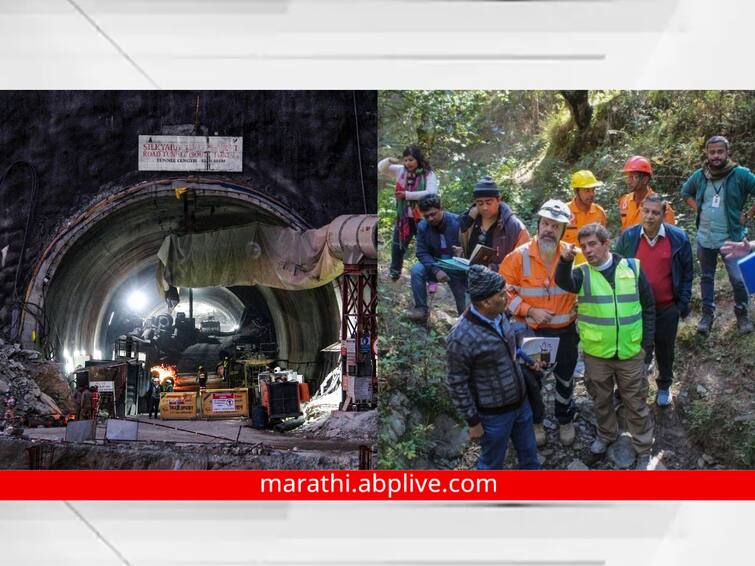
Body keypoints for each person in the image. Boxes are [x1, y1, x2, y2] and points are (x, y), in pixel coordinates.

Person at [555, 223, 656, 470]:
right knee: (601, 400)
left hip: (631, 351)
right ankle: (606, 435)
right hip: (597, 354)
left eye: (593, 244)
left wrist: (646, 346)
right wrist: (566, 260)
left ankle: (643, 448)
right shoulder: (581, 273)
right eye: (583, 246)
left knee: (636, 402)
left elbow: (649, 307)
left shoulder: (632, 268)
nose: (588, 250)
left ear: (606, 243)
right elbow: (562, 282)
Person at [501, 199, 579, 447]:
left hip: (566, 332)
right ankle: (536, 422)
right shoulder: (518, 257)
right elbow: (503, 294)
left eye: (556, 226)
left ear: (563, 230)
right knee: (533, 380)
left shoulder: (572, 255)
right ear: (539, 224)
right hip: (537, 332)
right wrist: (529, 310)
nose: (549, 229)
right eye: (546, 223)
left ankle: (565, 419)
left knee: (565, 378)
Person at [446, 265, 540, 470]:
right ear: (485, 301)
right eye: (501, 294)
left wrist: (530, 359)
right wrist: (473, 422)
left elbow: (510, 346)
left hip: (521, 405)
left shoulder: (500, 315)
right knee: (491, 463)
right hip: (494, 416)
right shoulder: (460, 336)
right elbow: (456, 383)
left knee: (530, 456)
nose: (507, 297)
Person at [615, 194, 693, 407]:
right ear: (640, 210)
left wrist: (682, 305)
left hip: (668, 308)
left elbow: (687, 273)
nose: (649, 216)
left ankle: (664, 386)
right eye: (646, 211)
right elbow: (616, 268)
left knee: (665, 349)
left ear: (664, 213)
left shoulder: (678, 238)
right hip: (636, 309)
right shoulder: (629, 237)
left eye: (655, 212)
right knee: (634, 349)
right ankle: (630, 387)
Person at [682, 135, 755, 335]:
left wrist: (747, 215)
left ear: (727, 152)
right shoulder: (700, 175)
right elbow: (685, 192)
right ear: (707, 153)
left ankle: (742, 314)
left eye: (719, 152)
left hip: (733, 240)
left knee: (739, 279)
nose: (716, 156)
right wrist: (699, 209)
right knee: (706, 277)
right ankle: (707, 316)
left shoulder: (740, 174)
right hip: (706, 238)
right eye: (712, 152)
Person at [379, 145, 439, 281]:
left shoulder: (428, 174)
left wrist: (407, 195)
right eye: (405, 160)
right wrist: (389, 159)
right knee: (397, 245)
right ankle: (395, 272)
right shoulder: (400, 171)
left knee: (426, 247)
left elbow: (431, 193)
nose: (408, 163)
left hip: (423, 217)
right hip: (404, 217)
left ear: (418, 159)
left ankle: (431, 276)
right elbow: (380, 168)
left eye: (411, 160)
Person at [407, 195, 467, 323]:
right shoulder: (423, 226)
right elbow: (421, 252)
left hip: (456, 267)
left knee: (464, 305)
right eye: (426, 216)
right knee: (416, 270)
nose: (430, 218)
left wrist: (463, 252)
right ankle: (421, 310)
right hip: (434, 264)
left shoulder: (458, 222)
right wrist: (435, 270)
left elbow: (471, 248)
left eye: (433, 214)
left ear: (441, 209)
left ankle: (465, 322)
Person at [458, 176, 530, 272]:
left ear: (498, 200)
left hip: (503, 283)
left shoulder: (515, 227)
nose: (484, 208)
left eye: (488, 203)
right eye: (480, 203)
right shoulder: (468, 223)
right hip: (469, 280)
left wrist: (492, 269)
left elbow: (525, 264)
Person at [619, 156, 675, 233]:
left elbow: (670, 236)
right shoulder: (624, 201)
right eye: (628, 177)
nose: (629, 181)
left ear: (645, 179)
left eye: (634, 177)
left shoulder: (661, 207)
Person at [564, 170, 608, 264]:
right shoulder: (564, 212)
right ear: (576, 191)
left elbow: (603, 242)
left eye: (593, 190)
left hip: (594, 267)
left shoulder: (599, 212)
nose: (592, 194)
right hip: (569, 268)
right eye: (587, 190)